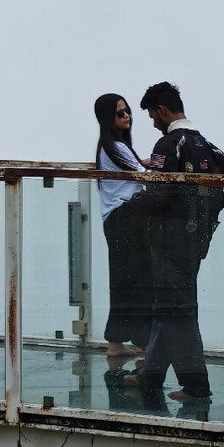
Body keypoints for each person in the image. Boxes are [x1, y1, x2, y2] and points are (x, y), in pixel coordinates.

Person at [127, 82, 224, 406]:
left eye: (152, 115)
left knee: (178, 311)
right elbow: (219, 198)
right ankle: (151, 376)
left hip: (169, 242)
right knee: (170, 307)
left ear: (162, 111)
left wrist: (131, 205)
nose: (153, 121)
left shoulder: (167, 145)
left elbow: (158, 194)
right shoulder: (210, 148)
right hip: (196, 241)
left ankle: (196, 385)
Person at [92, 93, 152, 358]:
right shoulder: (115, 147)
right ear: (108, 118)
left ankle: (117, 342)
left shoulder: (111, 147)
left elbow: (137, 168)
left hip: (116, 218)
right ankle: (141, 341)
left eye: (127, 111)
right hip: (124, 217)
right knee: (138, 279)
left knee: (123, 279)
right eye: (120, 113)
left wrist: (149, 163)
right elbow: (143, 175)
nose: (127, 115)